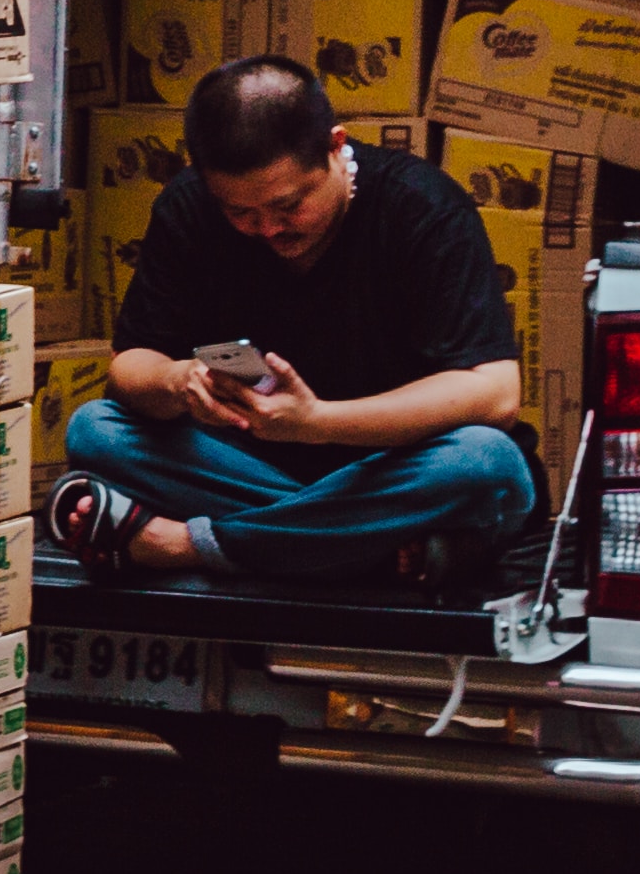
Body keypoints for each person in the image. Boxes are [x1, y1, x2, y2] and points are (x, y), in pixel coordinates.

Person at [44, 57, 542, 588]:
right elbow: (131, 367)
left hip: (392, 470)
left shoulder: (423, 208)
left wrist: (317, 421)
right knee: (96, 430)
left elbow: (495, 394)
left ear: (335, 146)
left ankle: (184, 546)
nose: (268, 230)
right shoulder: (188, 207)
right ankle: (368, 550)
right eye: (240, 213)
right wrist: (179, 381)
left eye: (289, 205)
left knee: (487, 464)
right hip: (261, 469)